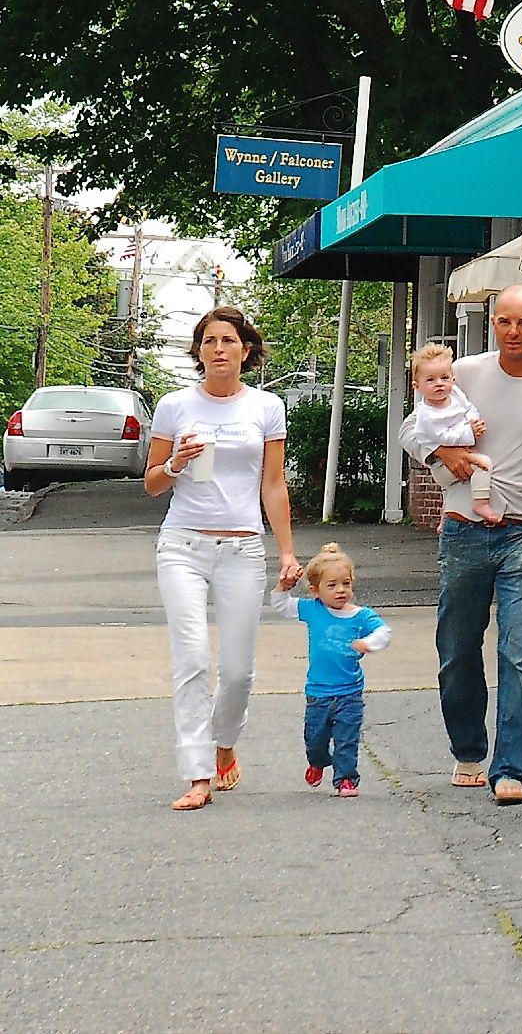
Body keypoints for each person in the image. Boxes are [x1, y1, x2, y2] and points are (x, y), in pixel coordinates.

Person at [399, 285, 522, 805]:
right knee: (456, 650)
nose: (514, 332)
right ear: (493, 324)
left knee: (519, 651)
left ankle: (509, 769)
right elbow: (410, 429)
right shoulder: (464, 373)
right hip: (465, 528)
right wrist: (444, 452)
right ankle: (469, 749)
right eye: (504, 322)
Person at [143, 306, 302, 811]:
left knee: (236, 671)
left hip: (242, 548)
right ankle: (198, 773)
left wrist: (287, 552)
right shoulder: (174, 406)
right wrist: (175, 462)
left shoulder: (267, 407)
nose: (218, 350)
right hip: (182, 545)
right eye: (208, 341)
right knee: (191, 659)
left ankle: (225, 743)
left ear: (245, 349)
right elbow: (151, 483)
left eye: (228, 341)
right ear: (198, 351)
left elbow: (272, 484)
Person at [294, 543, 391, 797]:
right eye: (332, 585)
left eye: (346, 584)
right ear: (316, 590)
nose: (340, 591)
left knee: (347, 740)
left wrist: (369, 643)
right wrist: (282, 587)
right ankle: (317, 762)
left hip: (349, 693)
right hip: (318, 692)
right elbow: (281, 605)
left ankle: (346, 779)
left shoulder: (361, 616)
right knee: (315, 739)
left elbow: (384, 632)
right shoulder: (313, 610)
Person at [409, 342, 497, 523]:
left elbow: (468, 408)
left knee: (450, 490)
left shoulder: (455, 394)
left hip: (462, 448)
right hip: (442, 464)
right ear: (416, 386)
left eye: (444, 378)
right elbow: (443, 438)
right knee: (484, 465)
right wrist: (469, 432)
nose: (439, 384)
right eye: (430, 380)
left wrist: (473, 420)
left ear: (453, 379)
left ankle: (444, 516)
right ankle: (481, 503)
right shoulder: (427, 414)